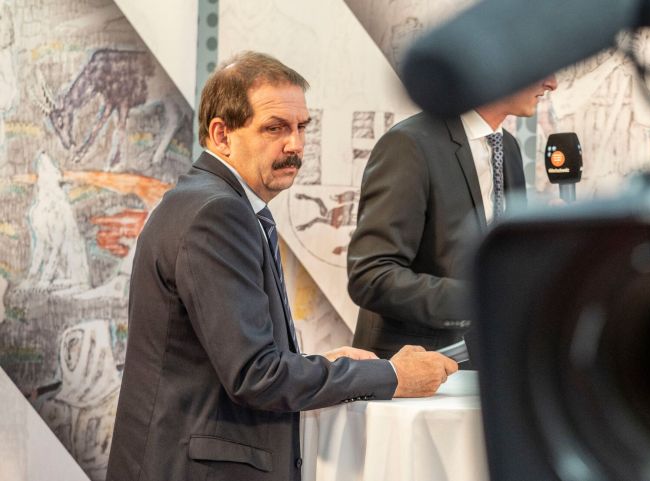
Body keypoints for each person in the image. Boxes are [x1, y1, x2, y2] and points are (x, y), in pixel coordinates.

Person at [106, 51, 457, 481]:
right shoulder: (217, 213)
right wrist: (390, 375)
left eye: (301, 127)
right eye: (275, 128)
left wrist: (321, 362)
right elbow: (256, 375)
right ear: (221, 134)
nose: (295, 144)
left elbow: (238, 358)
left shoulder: (210, 203)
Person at [348, 75, 557, 359]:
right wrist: (479, 299)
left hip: (485, 364)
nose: (552, 83)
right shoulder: (409, 144)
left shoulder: (508, 147)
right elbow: (371, 276)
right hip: (411, 370)